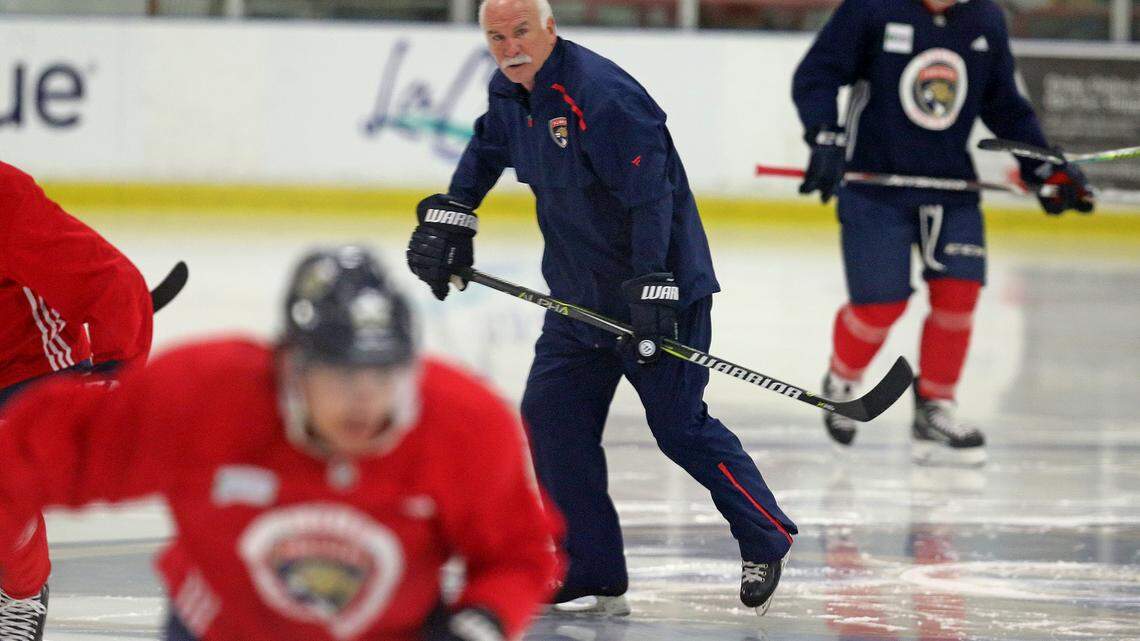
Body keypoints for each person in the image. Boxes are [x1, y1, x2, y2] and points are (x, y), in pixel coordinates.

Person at [406, 0, 796, 616]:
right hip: (575, 300)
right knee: (551, 418)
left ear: (550, 28)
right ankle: (590, 568)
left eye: (522, 31)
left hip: (659, 292)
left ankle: (765, 535)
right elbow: (486, 148)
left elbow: (652, 196)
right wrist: (456, 212)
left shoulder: (604, 97)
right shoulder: (510, 93)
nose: (510, 46)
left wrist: (653, 285)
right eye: (496, 36)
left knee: (678, 426)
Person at [0, 245, 562, 641]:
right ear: (292, 367)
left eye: (384, 376)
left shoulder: (464, 420)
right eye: (341, 377)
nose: (365, 400)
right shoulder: (206, 396)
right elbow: (33, 457)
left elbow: (517, 554)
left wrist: (484, 619)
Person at [792, 0, 1094, 466]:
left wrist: (1045, 168)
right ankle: (842, 379)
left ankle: (935, 405)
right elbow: (816, 75)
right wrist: (824, 135)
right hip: (876, 188)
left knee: (958, 295)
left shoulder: (985, 19)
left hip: (953, 188)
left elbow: (1003, 105)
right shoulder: (871, 9)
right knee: (880, 305)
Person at [0, 160, 155, 641]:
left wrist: (114, 379)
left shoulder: (4, 198)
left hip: (29, 370)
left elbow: (113, 282)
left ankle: (19, 593)